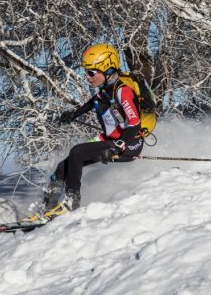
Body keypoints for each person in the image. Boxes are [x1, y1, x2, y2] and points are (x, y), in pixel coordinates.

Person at [34, 43, 145, 220]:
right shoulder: (105, 91)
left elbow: (134, 123)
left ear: (107, 70)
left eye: (91, 72)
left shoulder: (122, 91)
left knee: (77, 152)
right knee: (63, 167)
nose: (87, 76)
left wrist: (118, 146)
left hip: (128, 144)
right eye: (86, 71)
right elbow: (91, 103)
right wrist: (73, 114)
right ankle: (46, 210)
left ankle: (71, 203)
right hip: (109, 140)